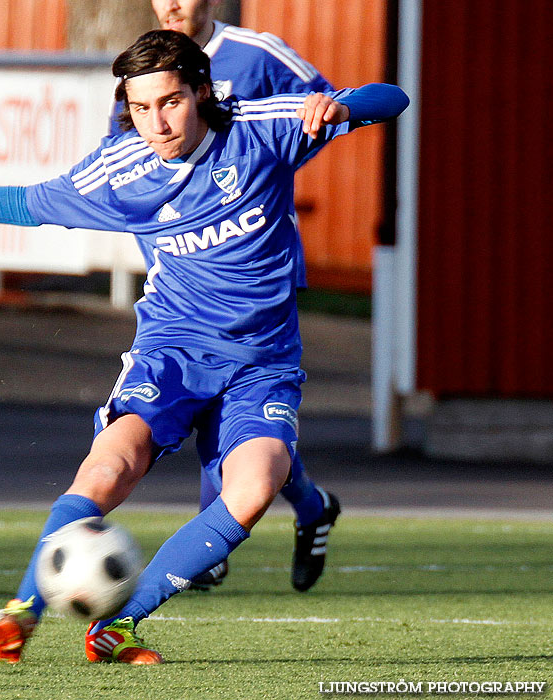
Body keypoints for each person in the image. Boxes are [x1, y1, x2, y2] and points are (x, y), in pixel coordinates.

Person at [0, 30, 408, 665]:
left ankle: (119, 625)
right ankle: (24, 608)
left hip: (262, 362)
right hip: (174, 349)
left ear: (202, 93)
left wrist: (345, 107)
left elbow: (393, 96)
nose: (156, 123)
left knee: (256, 485)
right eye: (140, 107)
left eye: (170, 102)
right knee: (108, 470)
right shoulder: (123, 172)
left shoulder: (259, 129)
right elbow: (28, 203)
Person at [113, 0, 339, 593]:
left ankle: (218, 523)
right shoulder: (147, 69)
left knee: (239, 405)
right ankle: (308, 508)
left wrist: (287, 152)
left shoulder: (255, 53)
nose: (172, 5)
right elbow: (129, 159)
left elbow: (325, 108)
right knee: (226, 412)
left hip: (253, 262)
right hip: (182, 269)